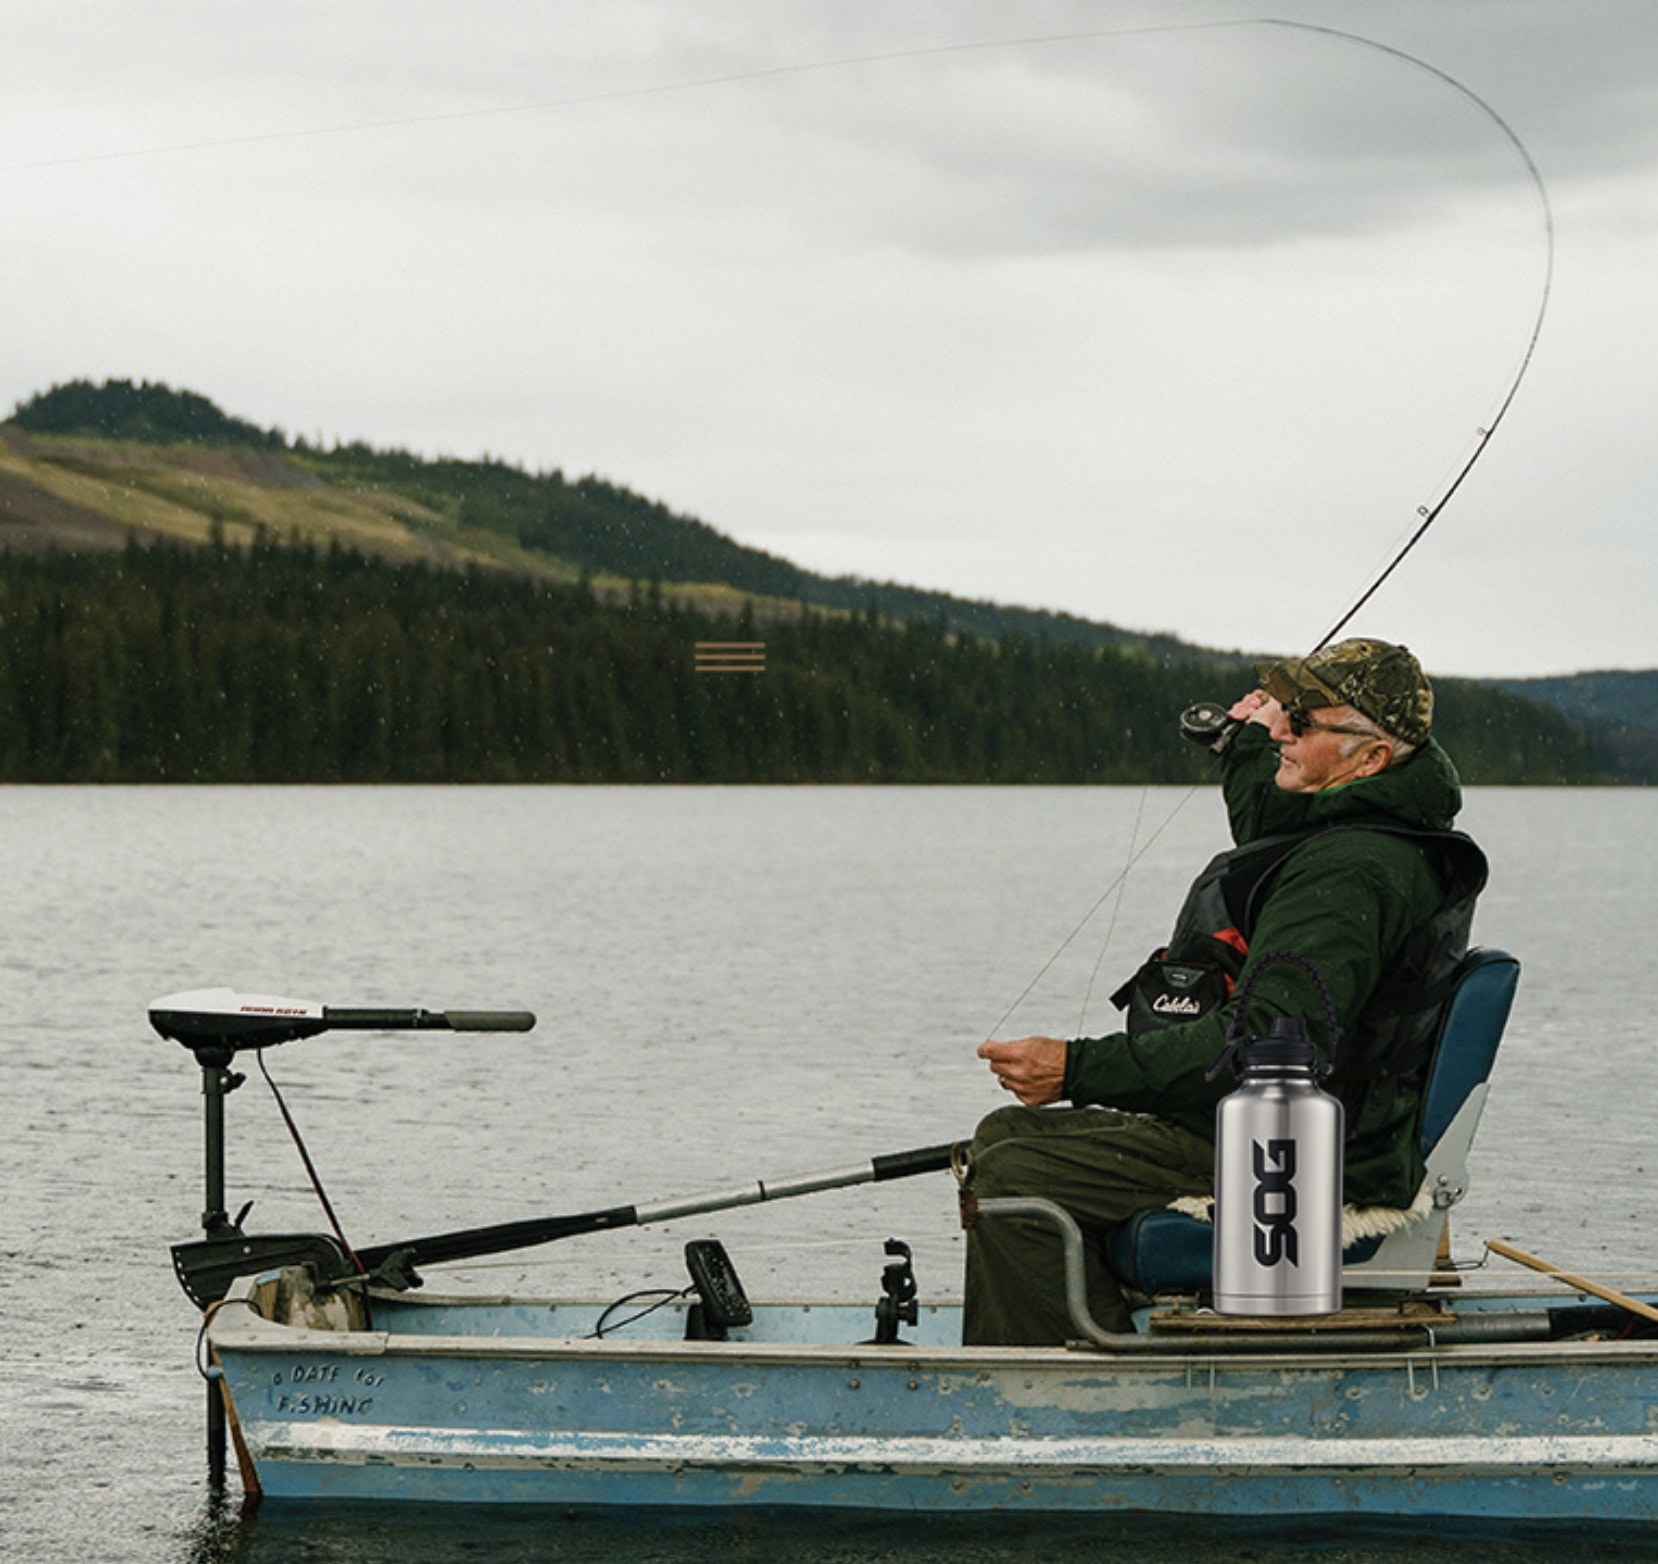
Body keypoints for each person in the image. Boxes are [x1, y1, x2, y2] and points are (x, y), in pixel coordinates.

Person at [961, 637, 1487, 1346]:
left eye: (1302, 722)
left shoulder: (1350, 874)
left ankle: (1068, 1389)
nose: (1279, 729)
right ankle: (1102, 1336)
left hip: (1297, 1152)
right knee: (1002, 1136)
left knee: (1016, 1172)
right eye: (1284, 712)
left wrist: (1076, 1068)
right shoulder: (1370, 822)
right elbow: (1274, 826)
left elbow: (1267, 1045)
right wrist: (1243, 748)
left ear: (1370, 758)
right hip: (1307, 1122)